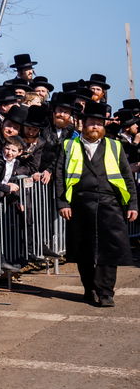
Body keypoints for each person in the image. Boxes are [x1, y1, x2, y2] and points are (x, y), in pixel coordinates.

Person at [54, 102, 137, 307]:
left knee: (109, 250)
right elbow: (59, 176)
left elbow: (127, 177)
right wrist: (63, 202)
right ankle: (90, 288)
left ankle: (106, 292)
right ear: (83, 124)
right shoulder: (69, 145)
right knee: (84, 250)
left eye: (99, 123)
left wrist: (133, 204)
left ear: (104, 127)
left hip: (110, 203)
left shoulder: (114, 146)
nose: (95, 127)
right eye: (91, 122)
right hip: (80, 203)